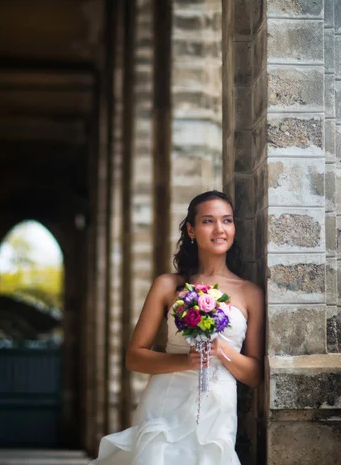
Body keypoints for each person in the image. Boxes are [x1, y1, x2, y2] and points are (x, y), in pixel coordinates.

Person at [90, 190, 264, 465]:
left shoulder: (250, 293)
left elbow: (255, 375)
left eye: (227, 221)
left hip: (217, 408)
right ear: (191, 230)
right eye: (208, 221)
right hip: (165, 401)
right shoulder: (167, 285)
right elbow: (134, 357)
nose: (219, 229)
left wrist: (222, 350)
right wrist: (185, 360)